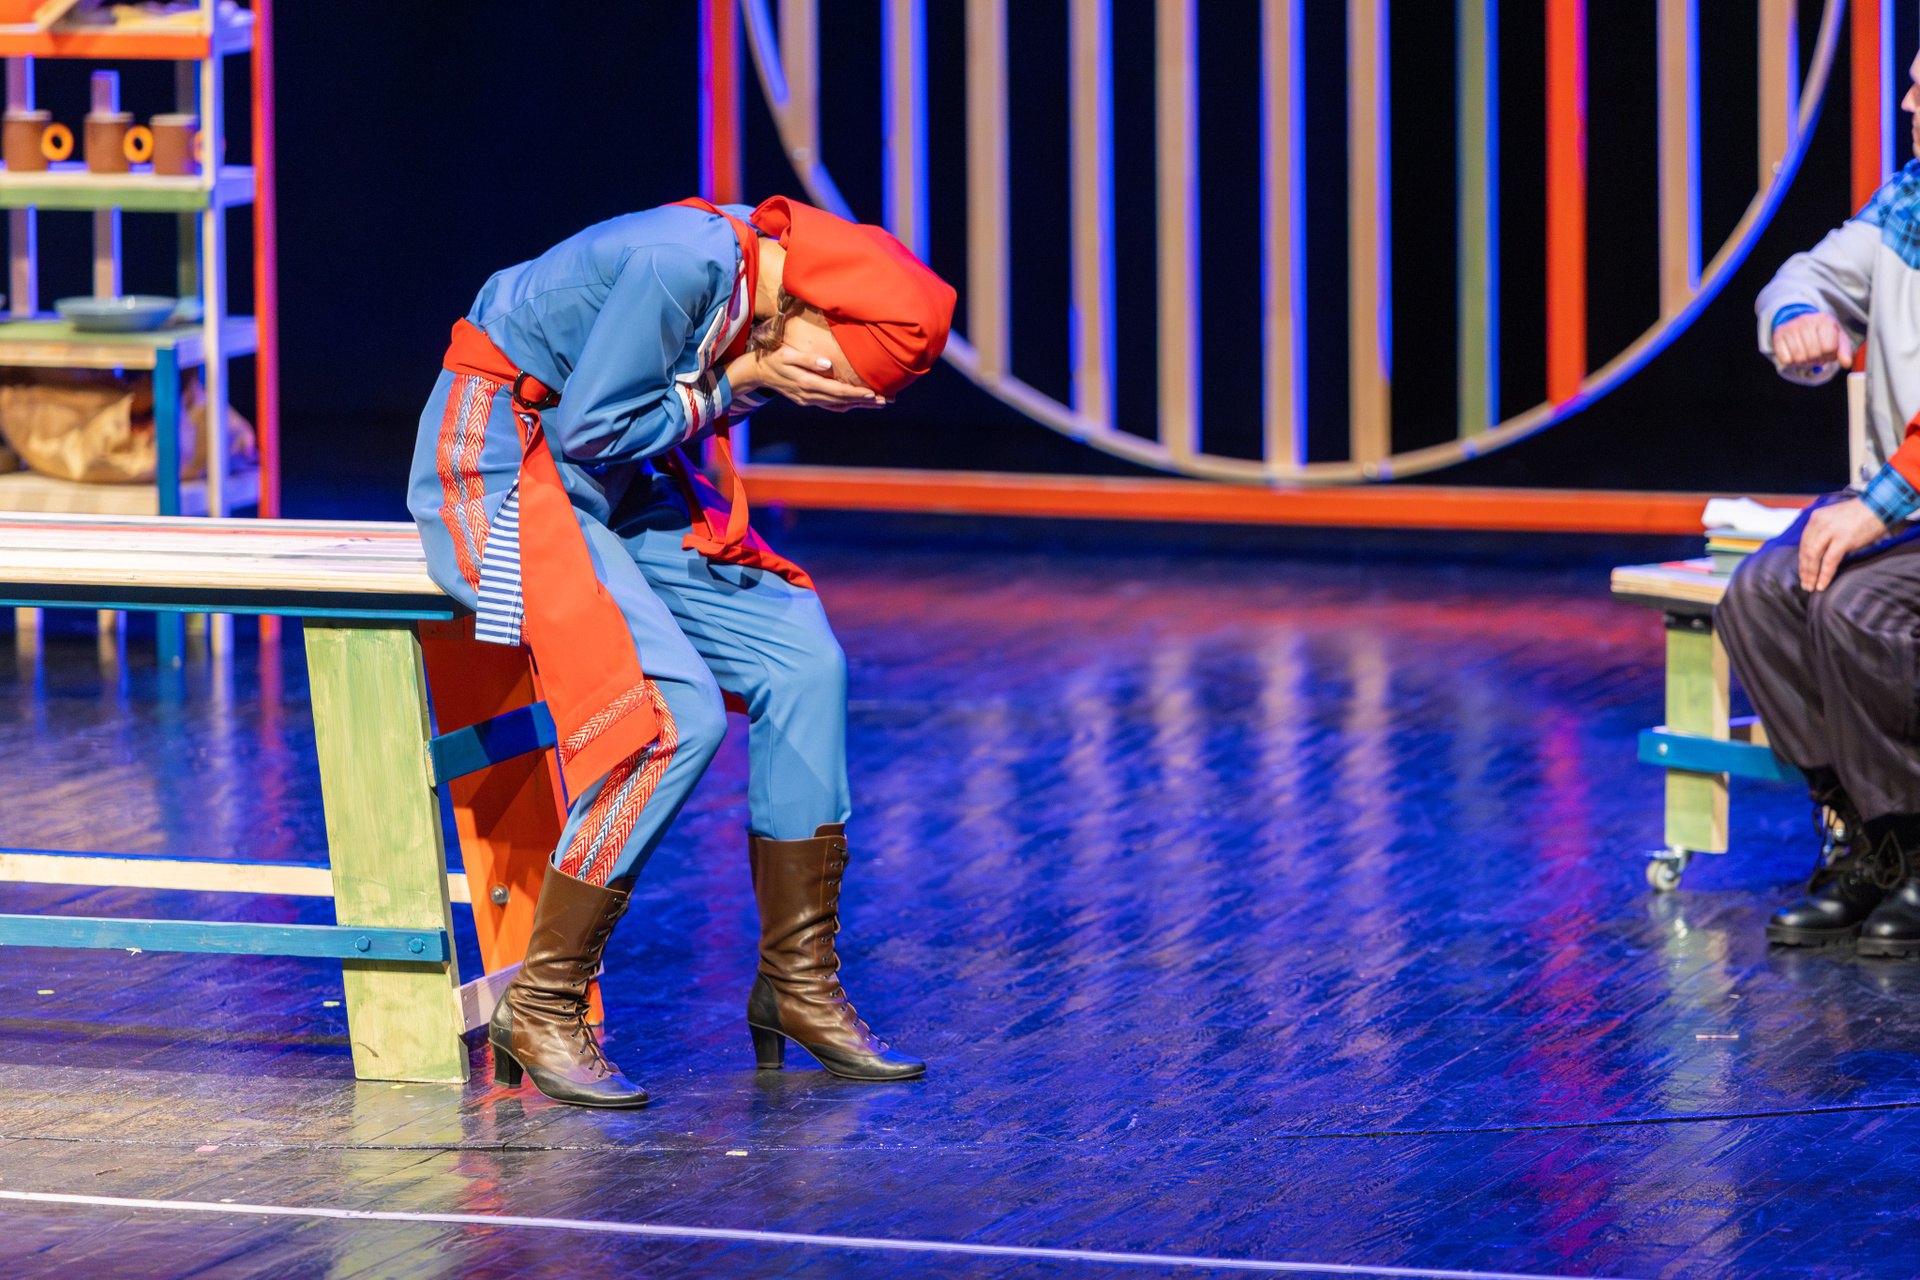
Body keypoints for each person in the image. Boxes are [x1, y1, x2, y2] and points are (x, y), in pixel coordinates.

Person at [408, 195, 956, 1105]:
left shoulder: (753, 291)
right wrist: (739, 382)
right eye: (831, 373)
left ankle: (798, 985)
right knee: (678, 717)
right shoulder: (688, 263)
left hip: (608, 483)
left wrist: (744, 379)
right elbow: (591, 426)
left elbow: (625, 433)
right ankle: (543, 1003)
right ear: (816, 308)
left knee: (802, 663)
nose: (822, 389)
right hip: (501, 464)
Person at [1721, 53, 1920, 955]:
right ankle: (1870, 845)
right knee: (1761, 595)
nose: (1907, 102)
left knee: (1855, 607)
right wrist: (1799, 319)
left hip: (1901, 504)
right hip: (1903, 509)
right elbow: (1803, 274)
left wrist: (1878, 505)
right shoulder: (1909, 204)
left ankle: (1915, 842)